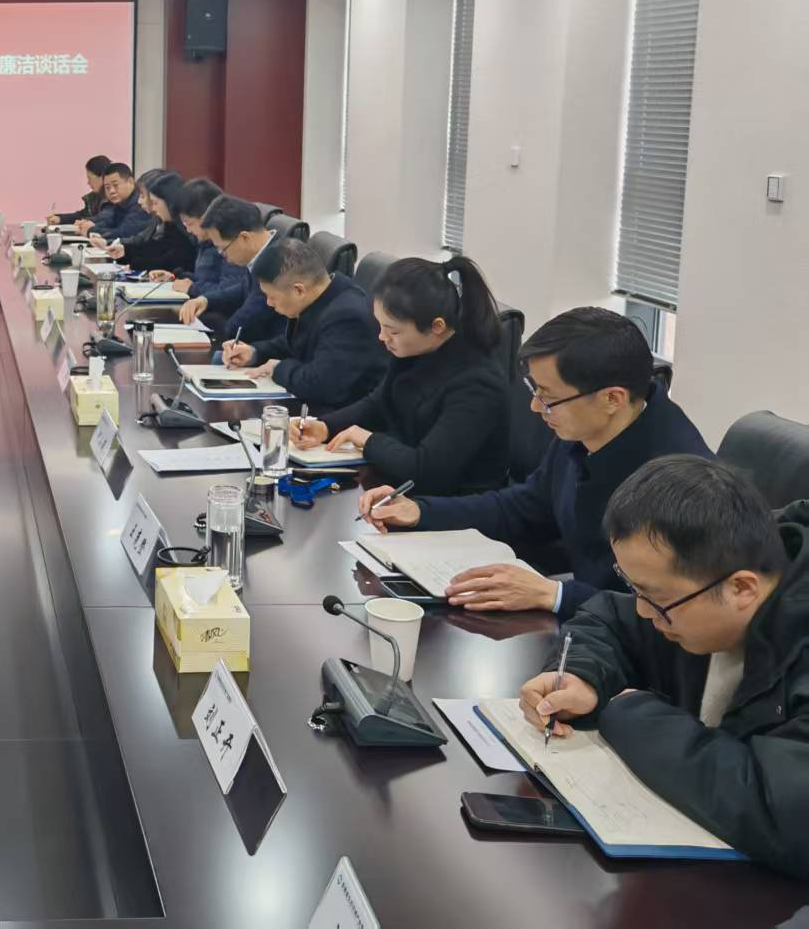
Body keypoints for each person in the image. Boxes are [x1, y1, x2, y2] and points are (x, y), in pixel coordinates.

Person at [518, 456, 809, 878]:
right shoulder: (705, 578)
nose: (643, 610)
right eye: (634, 587)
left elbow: (781, 814)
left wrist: (629, 713)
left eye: (654, 598)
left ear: (741, 589)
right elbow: (609, 618)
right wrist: (584, 676)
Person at [359, 306, 710, 615]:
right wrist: (421, 511)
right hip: (587, 622)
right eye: (534, 391)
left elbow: (667, 613)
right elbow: (524, 507)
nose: (534, 407)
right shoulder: (587, 430)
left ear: (612, 399)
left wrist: (556, 595)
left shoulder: (681, 485)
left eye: (548, 397)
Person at [290, 255, 510, 494]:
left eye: (392, 331)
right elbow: (379, 402)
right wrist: (325, 426)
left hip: (450, 503)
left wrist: (368, 440)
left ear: (437, 326)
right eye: (380, 325)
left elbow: (427, 469)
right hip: (399, 484)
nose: (382, 337)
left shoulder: (477, 384)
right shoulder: (416, 349)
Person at [222, 237, 387, 414]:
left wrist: (278, 368)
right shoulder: (323, 297)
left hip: (344, 417)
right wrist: (254, 352)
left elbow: (321, 385)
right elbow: (295, 343)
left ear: (299, 290)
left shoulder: (348, 316)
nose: (269, 303)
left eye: (272, 297)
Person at [187, 194, 281, 339]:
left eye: (223, 249)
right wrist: (206, 299)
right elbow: (243, 288)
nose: (223, 256)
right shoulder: (265, 250)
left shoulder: (278, 262)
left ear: (244, 238)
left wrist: (218, 335)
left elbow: (249, 318)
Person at [92, 171, 195, 274]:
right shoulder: (165, 222)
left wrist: (129, 258)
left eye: (154, 202)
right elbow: (151, 246)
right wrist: (124, 251)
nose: (139, 201)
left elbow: (167, 260)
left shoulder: (184, 228)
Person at [75, 161, 153, 241]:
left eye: (116, 185)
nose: (111, 191)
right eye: (107, 187)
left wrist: (90, 230)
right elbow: (109, 222)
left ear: (130, 181)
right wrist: (90, 225)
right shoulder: (120, 203)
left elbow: (123, 233)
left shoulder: (141, 204)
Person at [47, 155, 111, 225]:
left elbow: (104, 217)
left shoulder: (112, 198)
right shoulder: (94, 198)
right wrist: (60, 219)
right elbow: (82, 215)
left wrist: (87, 221)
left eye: (89, 178)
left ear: (102, 177)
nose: (88, 182)